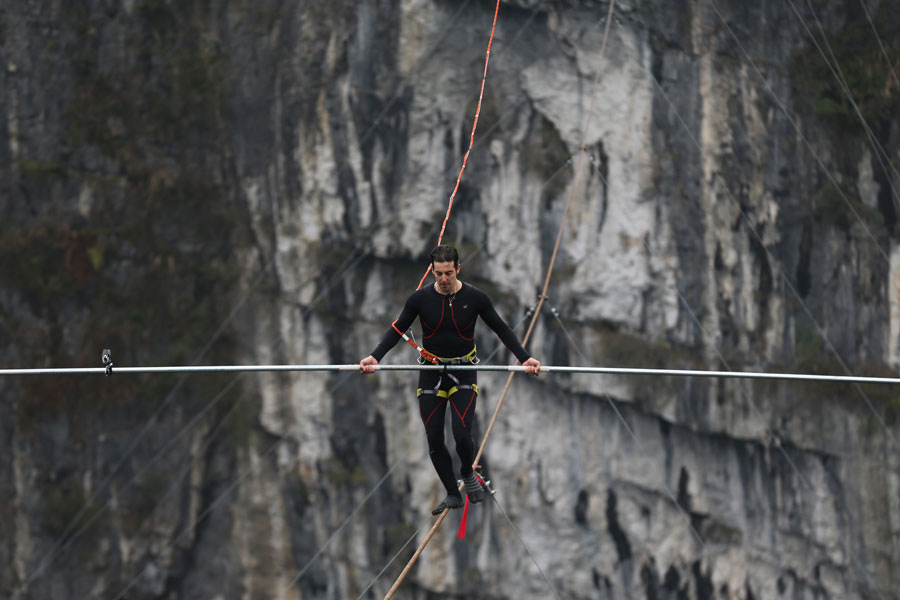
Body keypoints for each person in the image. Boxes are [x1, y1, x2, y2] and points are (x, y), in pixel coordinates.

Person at [360, 244, 540, 515]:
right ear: (431, 271)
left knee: (460, 434)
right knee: (434, 437)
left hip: (464, 371)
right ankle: (452, 493)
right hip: (431, 373)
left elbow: (501, 328)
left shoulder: (476, 298)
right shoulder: (419, 299)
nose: (443, 279)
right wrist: (375, 357)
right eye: (438, 274)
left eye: (448, 273)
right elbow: (397, 329)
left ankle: (468, 472)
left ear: (458, 269)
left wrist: (525, 358)